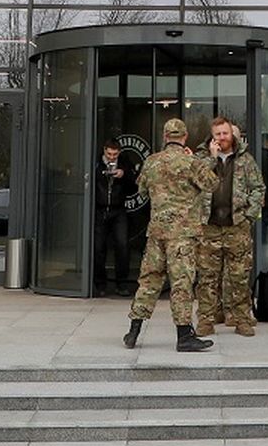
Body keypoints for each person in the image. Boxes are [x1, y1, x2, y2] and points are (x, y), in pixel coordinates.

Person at [124, 118, 217, 352]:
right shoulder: (190, 162)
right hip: (182, 235)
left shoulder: (151, 162)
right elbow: (211, 184)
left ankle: (133, 330)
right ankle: (184, 335)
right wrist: (210, 159)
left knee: (149, 280)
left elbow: (142, 188)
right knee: (181, 284)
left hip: (156, 233)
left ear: (165, 137)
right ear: (184, 137)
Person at [195, 116, 265, 337]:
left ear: (232, 134)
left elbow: (258, 188)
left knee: (239, 277)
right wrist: (212, 160)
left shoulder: (246, 160)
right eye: (218, 134)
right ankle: (206, 321)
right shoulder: (202, 158)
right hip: (209, 228)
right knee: (207, 278)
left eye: (225, 133)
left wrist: (249, 216)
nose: (222, 138)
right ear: (212, 137)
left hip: (237, 228)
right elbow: (195, 182)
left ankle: (242, 320)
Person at [93, 138, 137, 297]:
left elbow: (135, 183)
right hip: (100, 209)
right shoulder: (96, 162)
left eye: (115, 154)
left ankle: (122, 283)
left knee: (123, 246)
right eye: (109, 154)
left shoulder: (124, 162)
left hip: (119, 209)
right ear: (104, 150)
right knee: (98, 248)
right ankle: (100, 284)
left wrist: (123, 175)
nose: (112, 157)